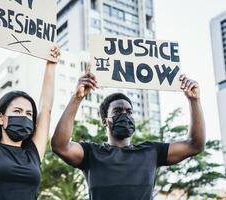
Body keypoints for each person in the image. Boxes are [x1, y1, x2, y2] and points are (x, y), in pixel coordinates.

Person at [51, 66, 205, 200]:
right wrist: (77, 97)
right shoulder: (91, 153)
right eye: (118, 111)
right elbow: (60, 146)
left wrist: (194, 100)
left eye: (129, 112)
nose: (125, 115)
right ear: (105, 120)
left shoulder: (151, 151)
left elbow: (194, 145)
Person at [0, 22, 60, 200]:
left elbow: (46, 109)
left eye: (28, 114)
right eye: (17, 111)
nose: (24, 116)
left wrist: (51, 64)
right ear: (1, 118)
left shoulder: (33, 153)